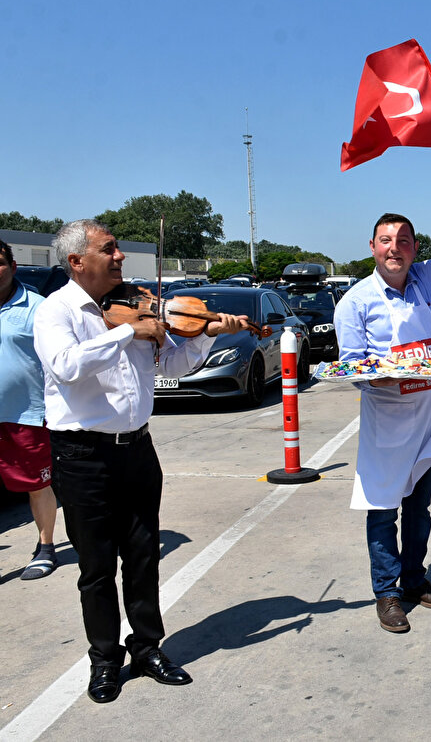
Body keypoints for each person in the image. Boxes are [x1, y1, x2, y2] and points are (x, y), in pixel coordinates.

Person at [32, 220, 248, 704]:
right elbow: (66, 366)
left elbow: (171, 366)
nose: (120, 257)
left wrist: (205, 335)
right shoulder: (56, 311)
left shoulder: (134, 305)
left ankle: (148, 648)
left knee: (144, 555)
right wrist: (127, 331)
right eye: (108, 249)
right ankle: (105, 660)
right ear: (76, 261)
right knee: (96, 566)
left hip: (138, 449)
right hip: (83, 455)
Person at [333, 163, 431, 634]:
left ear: (415, 248)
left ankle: (415, 580)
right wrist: (383, 377)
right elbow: (352, 365)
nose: (394, 248)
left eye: (403, 240)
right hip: (387, 423)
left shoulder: (426, 279)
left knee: (420, 509)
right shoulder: (355, 302)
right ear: (372, 247)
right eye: (386, 240)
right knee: (383, 510)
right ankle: (387, 592)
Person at [0, 238, 59, 580]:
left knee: (37, 485)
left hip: (26, 415)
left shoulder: (38, 308)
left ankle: (46, 547)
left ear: (12, 267)